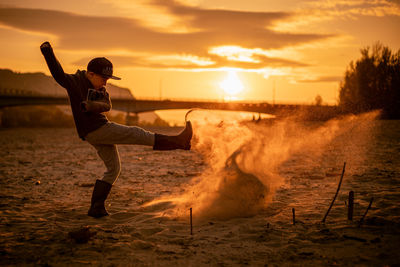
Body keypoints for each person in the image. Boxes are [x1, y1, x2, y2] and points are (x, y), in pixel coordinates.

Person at [40, 41, 193, 218]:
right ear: (90, 74)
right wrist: (48, 52)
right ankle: (179, 141)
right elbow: (58, 74)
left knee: (113, 168)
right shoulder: (74, 82)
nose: (106, 82)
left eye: (108, 79)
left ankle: (96, 208)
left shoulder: (102, 90)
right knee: (137, 133)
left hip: (95, 132)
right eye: (103, 78)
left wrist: (91, 106)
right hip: (97, 129)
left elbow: (107, 105)